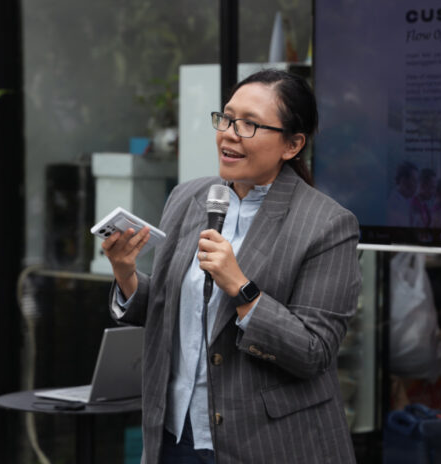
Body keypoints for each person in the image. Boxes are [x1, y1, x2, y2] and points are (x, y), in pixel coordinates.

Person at [101, 69, 361, 464]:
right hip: (174, 434)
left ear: (292, 144)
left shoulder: (327, 225)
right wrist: (125, 273)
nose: (229, 134)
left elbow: (314, 352)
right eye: (226, 118)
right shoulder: (188, 197)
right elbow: (170, 309)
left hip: (267, 445)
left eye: (249, 124)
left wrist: (241, 287)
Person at [387, 161, 419, 226]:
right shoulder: (393, 205)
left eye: (417, 181)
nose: (416, 185)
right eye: (414, 180)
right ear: (403, 180)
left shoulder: (409, 200)